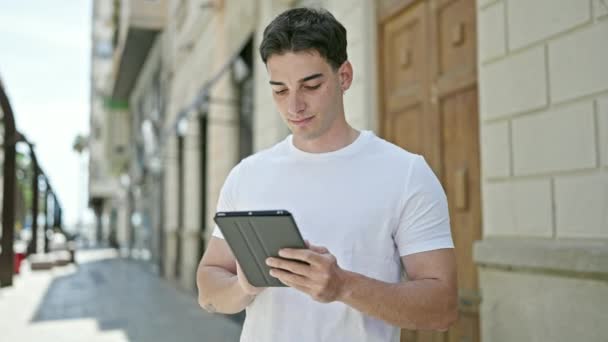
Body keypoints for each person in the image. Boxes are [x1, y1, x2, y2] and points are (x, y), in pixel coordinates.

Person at [196, 7, 457, 342]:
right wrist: (243, 286)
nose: (294, 106)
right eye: (280, 90)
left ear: (344, 76)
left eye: (311, 85)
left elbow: (443, 307)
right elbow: (208, 286)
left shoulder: (405, 173)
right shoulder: (247, 175)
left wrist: (343, 286)